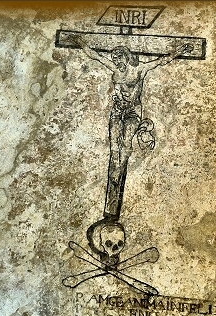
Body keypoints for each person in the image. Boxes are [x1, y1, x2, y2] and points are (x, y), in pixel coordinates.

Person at [69, 34, 193, 221]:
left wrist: (180, 50)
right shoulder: (115, 69)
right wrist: (79, 42)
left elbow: (162, 61)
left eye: (119, 58)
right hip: (117, 111)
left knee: (126, 145)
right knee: (114, 148)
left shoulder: (139, 69)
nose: (116, 61)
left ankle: (120, 170)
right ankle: (115, 177)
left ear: (127, 57)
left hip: (133, 113)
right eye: (114, 58)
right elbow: (95, 56)